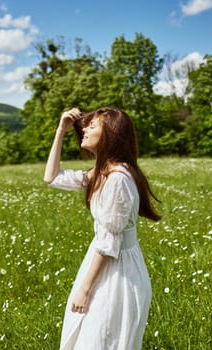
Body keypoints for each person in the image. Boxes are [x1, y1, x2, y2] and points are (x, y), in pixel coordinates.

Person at [44, 107, 161, 349]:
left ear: (110, 134)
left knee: (101, 340)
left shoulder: (117, 179)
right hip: (105, 263)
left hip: (118, 272)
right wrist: (60, 131)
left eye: (92, 126)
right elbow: (51, 177)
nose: (84, 130)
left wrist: (85, 289)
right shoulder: (101, 173)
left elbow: (109, 243)